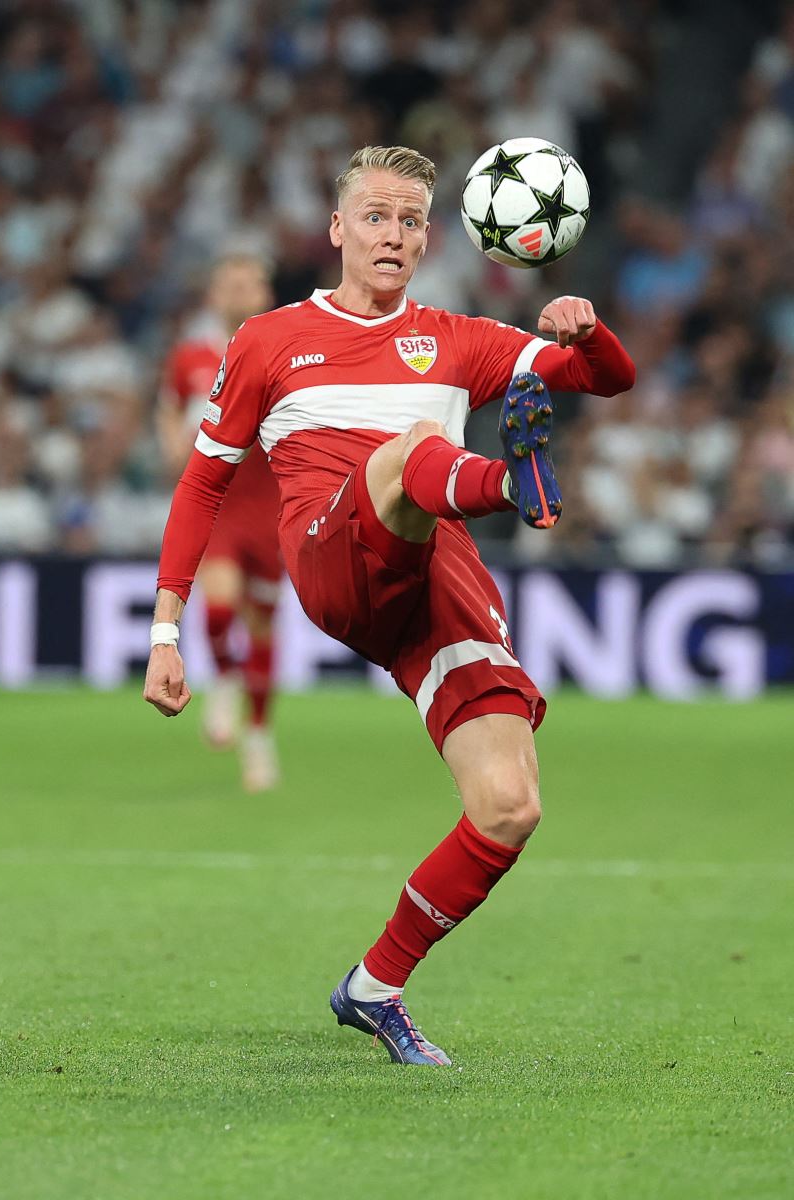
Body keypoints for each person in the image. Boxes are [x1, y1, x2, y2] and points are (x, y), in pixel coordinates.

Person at [143, 146, 635, 1065]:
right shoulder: (267, 341)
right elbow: (201, 484)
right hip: (336, 560)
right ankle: (509, 484)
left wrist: (585, 330)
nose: (393, 236)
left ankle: (375, 985)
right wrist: (165, 627)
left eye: (411, 222)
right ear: (337, 229)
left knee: (509, 806)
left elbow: (607, 380)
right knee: (408, 449)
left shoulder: (460, 338)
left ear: (429, 237)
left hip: (435, 580)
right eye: (376, 216)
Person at [157, 254, 282, 790]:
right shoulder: (191, 356)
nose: (238, 292)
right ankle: (225, 681)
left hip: (274, 503)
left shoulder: (285, 346)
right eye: (229, 284)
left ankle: (258, 735)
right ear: (214, 294)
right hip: (223, 500)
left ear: (263, 291)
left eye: (248, 283)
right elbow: (169, 407)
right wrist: (169, 445)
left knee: (261, 625)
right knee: (221, 604)